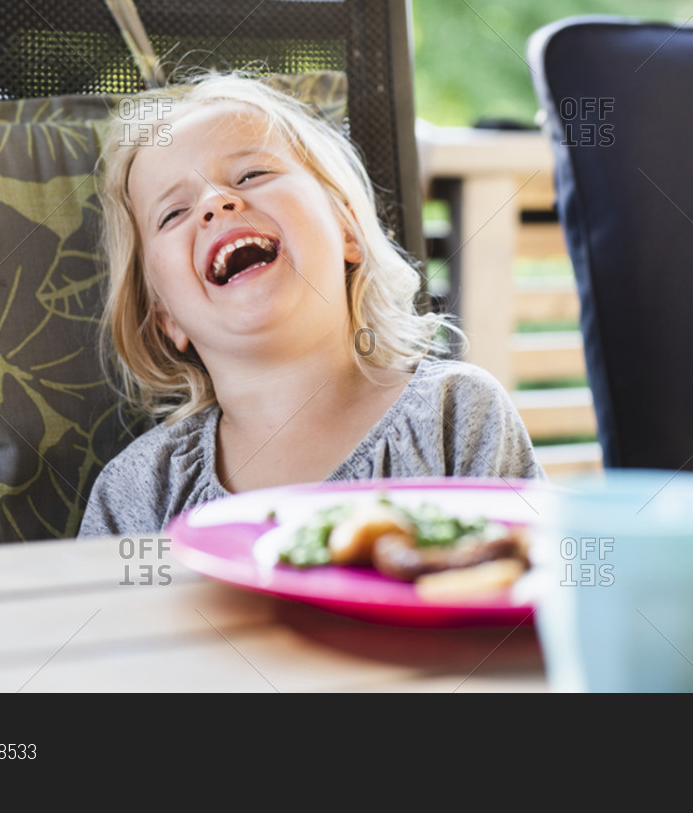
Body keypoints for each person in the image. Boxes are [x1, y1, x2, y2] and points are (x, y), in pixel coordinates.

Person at [78, 71, 544, 536]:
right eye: (173, 213)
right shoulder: (136, 492)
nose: (217, 202)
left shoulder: (455, 414)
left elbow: (522, 589)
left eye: (251, 174)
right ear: (166, 317)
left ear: (348, 230)